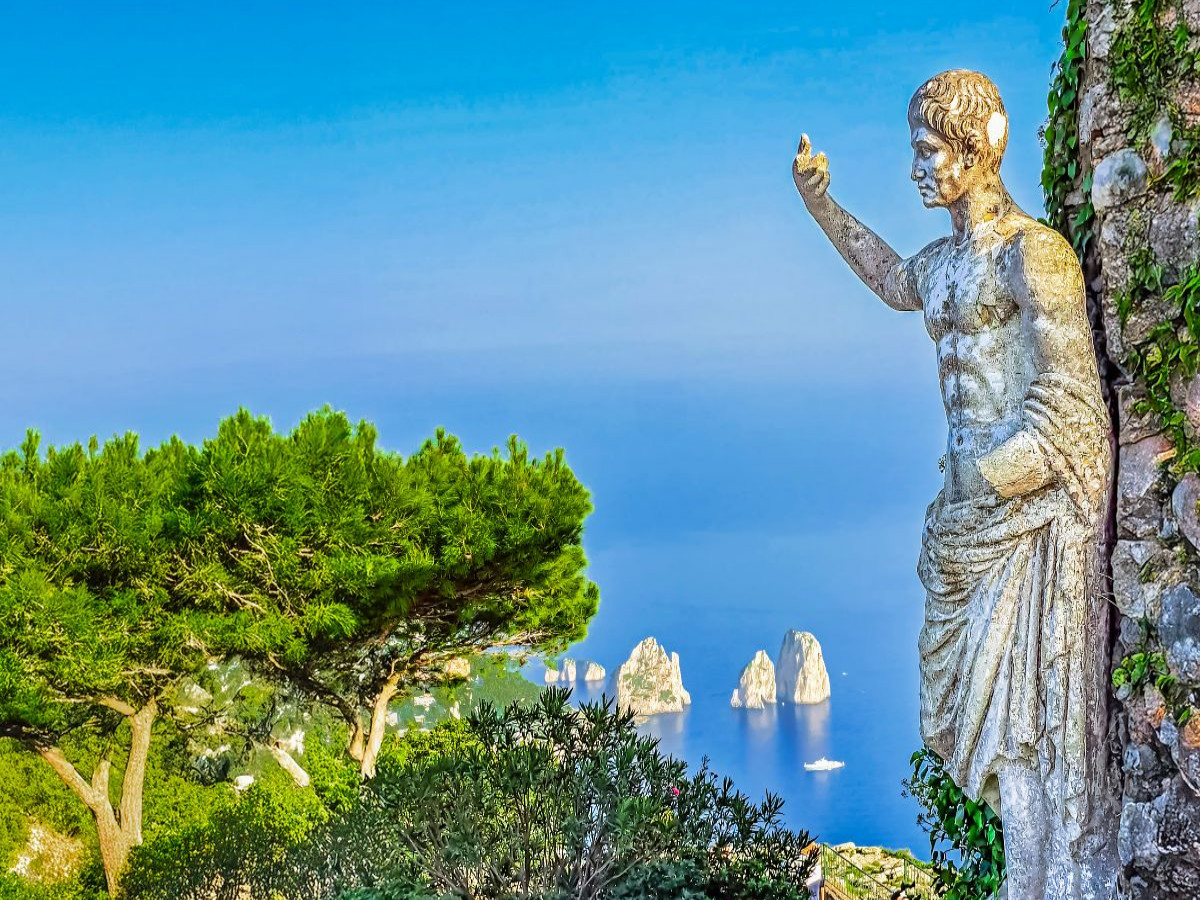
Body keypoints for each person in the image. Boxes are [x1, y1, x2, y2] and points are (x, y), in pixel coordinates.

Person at [792, 70, 1117, 900]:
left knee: (1032, 729)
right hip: (964, 525)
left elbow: (1072, 404)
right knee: (986, 737)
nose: (917, 171)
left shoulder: (1031, 253)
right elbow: (888, 276)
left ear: (974, 150)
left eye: (927, 152)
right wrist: (822, 207)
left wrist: (993, 472)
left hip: (1027, 521)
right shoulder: (939, 267)